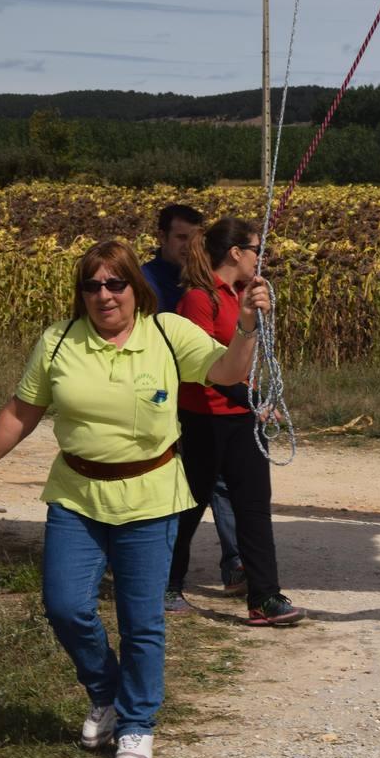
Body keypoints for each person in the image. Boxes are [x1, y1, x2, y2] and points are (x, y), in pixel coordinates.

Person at [0, 239, 270, 758]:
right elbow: (21, 411)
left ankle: (138, 724)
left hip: (150, 495)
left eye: (115, 283)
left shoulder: (166, 332)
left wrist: (250, 325)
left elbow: (228, 372)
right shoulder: (57, 342)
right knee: (65, 606)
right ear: (82, 294)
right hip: (77, 494)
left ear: (134, 288)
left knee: (141, 621)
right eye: (92, 285)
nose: (104, 295)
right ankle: (107, 693)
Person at [166, 217, 303, 627]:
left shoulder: (244, 295)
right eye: (257, 249)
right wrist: (251, 397)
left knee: (254, 509)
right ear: (236, 253)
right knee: (187, 506)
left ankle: (264, 597)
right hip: (203, 417)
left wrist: (259, 397)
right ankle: (165, 585)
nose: (262, 258)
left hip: (243, 417)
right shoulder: (198, 300)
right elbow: (204, 368)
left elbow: (251, 359)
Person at [141, 204, 247, 610]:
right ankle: (166, 576)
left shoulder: (213, 288)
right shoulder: (149, 283)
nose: (189, 246)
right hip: (171, 395)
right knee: (189, 490)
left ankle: (234, 564)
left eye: (196, 239)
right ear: (163, 238)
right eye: (181, 238)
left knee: (221, 484)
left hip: (211, 393)